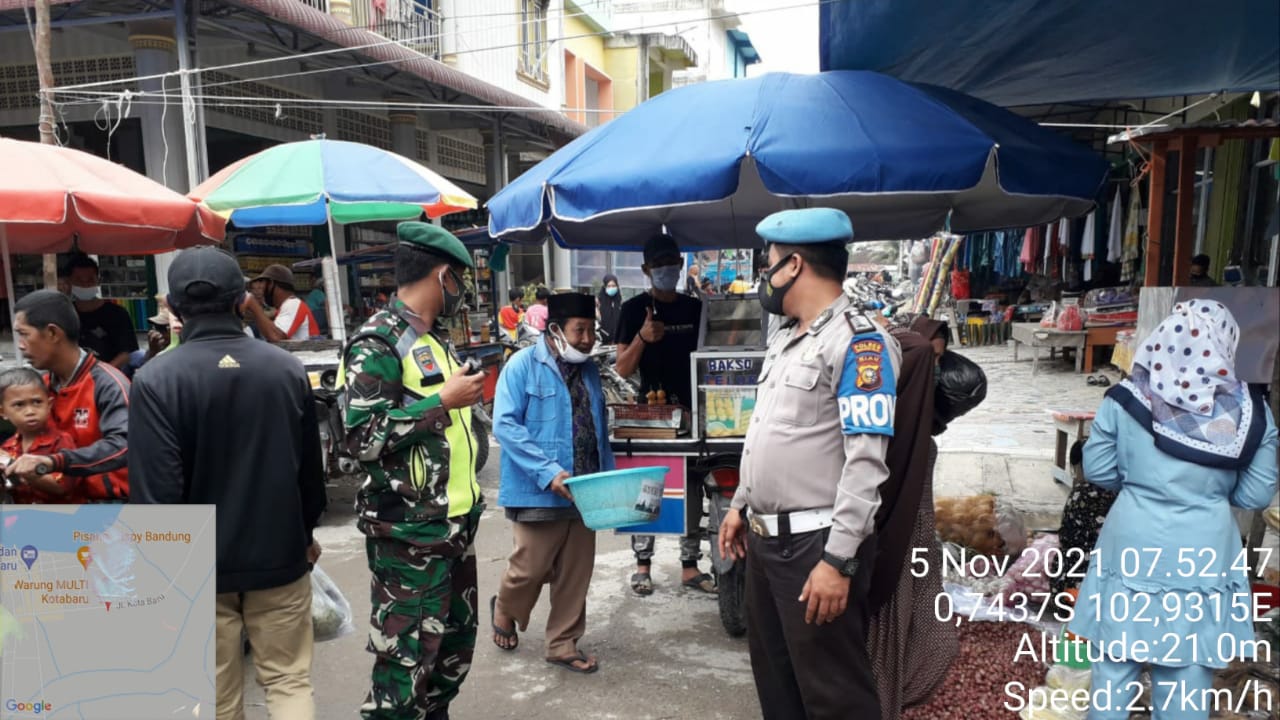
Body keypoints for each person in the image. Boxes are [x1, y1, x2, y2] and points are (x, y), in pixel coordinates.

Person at [128, 246, 327, 720]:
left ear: (172, 309)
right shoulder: (286, 369)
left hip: (198, 571)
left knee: (214, 697)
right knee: (288, 682)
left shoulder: (155, 379)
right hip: (280, 557)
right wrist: (305, 536)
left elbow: (156, 495)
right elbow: (309, 475)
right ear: (243, 301)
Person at [719, 208, 898, 720]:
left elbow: (867, 463)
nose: (764, 275)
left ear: (793, 265)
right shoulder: (787, 337)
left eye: (768, 262)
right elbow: (770, 434)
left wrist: (838, 562)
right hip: (767, 540)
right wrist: (740, 504)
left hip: (816, 547)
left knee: (834, 695)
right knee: (778, 686)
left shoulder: (859, 343)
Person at [1069, 300, 1277, 720]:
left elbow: (1098, 469)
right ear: (1225, 344)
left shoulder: (1125, 399)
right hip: (1204, 550)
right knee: (1186, 675)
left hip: (1131, 540)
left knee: (1114, 666)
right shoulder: (1250, 412)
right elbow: (1255, 496)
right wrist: (1212, 490)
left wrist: (1142, 481)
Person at [341, 221, 488, 720]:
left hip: (453, 528)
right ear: (443, 275)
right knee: (403, 671)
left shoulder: (434, 340)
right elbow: (359, 438)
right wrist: (441, 402)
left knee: (450, 658)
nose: (463, 293)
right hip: (408, 535)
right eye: (461, 281)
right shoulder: (377, 343)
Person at [490, 292, 614, 674]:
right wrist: (547, 472)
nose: (588, 339)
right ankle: (505, 608)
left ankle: (562, 643)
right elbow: (505, 425)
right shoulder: (522, 366)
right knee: (529, 567)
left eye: (592, 330)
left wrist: (605, 481)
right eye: (580, 330)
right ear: (555, 329)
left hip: (584, 488)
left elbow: (597, 430)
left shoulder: (589, 371)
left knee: (576, 571)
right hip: (537, 487)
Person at [866, 316, 957, 719]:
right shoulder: (884, 413)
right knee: (881, 631)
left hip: (917, 537)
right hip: (891, 537)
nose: (933, 373)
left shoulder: (923, 410)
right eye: (926, 362)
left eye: (938, 363)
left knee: (916, 627)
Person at [614, 233, 709, 596]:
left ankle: (690, 566)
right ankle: (643, 565)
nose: (667, 270)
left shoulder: (695, 308)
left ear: (681, 264)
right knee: (649, 488)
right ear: (646, 270)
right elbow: (622, 368)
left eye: (672, 263)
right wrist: (642, 337)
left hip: (694, 413)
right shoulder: (632, 308)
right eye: (659, 265)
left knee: (693, 487)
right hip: (650, 414)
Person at [8, 290, 130, 501]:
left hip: (106, 508)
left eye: (24, 334)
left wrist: (57, 462)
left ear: (53, 334)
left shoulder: (109, 384)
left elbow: (124, 446)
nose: (20, 344)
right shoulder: (41, 387)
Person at [0, 368, 76, 503]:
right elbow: (8, 490)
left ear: (49, 404)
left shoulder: (61, 441)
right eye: (19, 405)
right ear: (3, 412)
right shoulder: (7, 448)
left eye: (37, 402)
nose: (30, 411)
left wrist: (22, 471)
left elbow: (63, 487)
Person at [64, 253, 139, 370]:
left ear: (98, 281)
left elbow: (126, 354)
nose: (85, 284)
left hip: (110, 379)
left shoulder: (117, 314)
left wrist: (101, 375)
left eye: (90, 279)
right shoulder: (64, 314)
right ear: (69, 282)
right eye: (79, 280)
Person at [243, 264, 320, 341]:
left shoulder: (293, 304)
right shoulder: (285, 307)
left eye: (263, 285)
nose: (262, 291)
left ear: (271, 284)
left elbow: (275, 336)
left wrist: (254, 306)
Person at [127, 310, 171, 378]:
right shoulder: (155, 345)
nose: (157, 332)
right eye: (155, 327)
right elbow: (143, 372)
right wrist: (152, 351)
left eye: (162, 328)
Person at [596, 275, 622, 344]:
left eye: (613, 286)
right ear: (604, 287)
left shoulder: (619, 303)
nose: (611, 288)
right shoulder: (598, 303)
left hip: (618, 341)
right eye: (609, 286)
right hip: (603, 341)